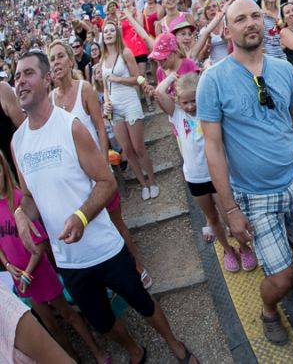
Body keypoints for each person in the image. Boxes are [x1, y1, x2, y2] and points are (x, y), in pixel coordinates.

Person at [11, 50, 197, 364]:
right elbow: (29, 197)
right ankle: (135, 351)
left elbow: (106, 182)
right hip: (68, 260)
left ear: (46, 79)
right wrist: (20, 214)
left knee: (142, 301)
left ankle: (174, 344)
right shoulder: (18, 142)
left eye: (28, 73)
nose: (20, 81)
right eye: (16, 76)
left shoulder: (70, 127)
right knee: (100, 321)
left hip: (105, 248)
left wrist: (82, 216)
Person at [198, 0, 293, 345]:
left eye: (255, 15)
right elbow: (213, 148)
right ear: (227, 30)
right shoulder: (213, 81)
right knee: (281, 276)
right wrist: (229, 209)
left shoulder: (284, 69)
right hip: (254, 195)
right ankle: (270, 311)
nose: (251, 22)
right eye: (240, 19)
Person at [47, 39, 150, 288]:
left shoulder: (85, 90)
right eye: (52, 59)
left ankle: (138, 264)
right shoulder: (50, 99)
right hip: (75, 179)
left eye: (61, 56)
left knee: (116, 222)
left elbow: (101, 129)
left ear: (71, 61)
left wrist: (104, 166)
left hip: (97, 173)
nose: (56, 62)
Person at [0, 151, 108, 363]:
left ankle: (97, 351)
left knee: (67, 314)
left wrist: (27, 273)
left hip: (38, 271)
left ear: (4, 169)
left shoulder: (21, 200)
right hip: (20, 278)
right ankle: (71, 357)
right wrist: (7, 265)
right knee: (49, 324)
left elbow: (39, 244)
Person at [152, 71, 247, 271]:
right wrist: (171, 77)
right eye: (185, 102)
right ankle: (228, 250)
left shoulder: (209, 111)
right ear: (177, 101)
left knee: (228, 214)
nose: (190, 106)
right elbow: (159, 92)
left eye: (194, 100)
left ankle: (244, 247)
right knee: (212, 217)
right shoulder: (176, 114)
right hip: (195, 178)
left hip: (218, 174)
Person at [99, 21, 158, 200]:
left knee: (139, 147)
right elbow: (105, 87)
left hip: (130, 101)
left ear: (117, 34)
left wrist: (117, 79)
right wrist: (106, 103)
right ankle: (143, 184)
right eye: (105, 31)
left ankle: (153, 181)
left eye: (111, 30)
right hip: (115, 108)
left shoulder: (125, 53)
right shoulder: (102, 60)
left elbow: (138, 78)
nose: (108, 33)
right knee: (127, 149)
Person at [1, 283, 74, 363]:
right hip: (25, 284)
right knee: (50, 325)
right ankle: (71, 354)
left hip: (31, 278)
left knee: (67, 313)